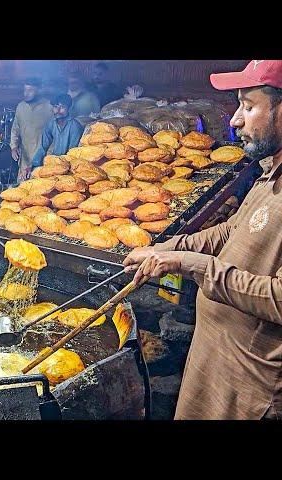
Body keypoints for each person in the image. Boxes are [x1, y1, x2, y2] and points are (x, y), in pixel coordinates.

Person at [123, 60, 282, 420]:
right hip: (214, 360)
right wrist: (167, 249)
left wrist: (191, 265)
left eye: (249, 105)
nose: (235, 120)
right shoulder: (270, 171)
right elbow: (231, 230)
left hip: (250, 388)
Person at [10, 78, 54, 180]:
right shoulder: (21, 107)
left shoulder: (49, 108)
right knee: (21, 189)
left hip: (43, 159)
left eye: (30, 90)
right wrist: (14, 147)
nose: (26, 93)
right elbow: (15, 129)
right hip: (25, 158)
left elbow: (55, 135)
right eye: (25, 90)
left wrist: (48, 156)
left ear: (39, 90)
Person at [31, 94, 84, 168]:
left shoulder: (75, 126)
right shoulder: (51, 124)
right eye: (56, 107)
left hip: (71, 165)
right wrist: (34, 165)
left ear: (69, 108)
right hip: (55, 163)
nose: (58, 111)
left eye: (62, 107)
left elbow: (73, 153)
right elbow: (43, 147)